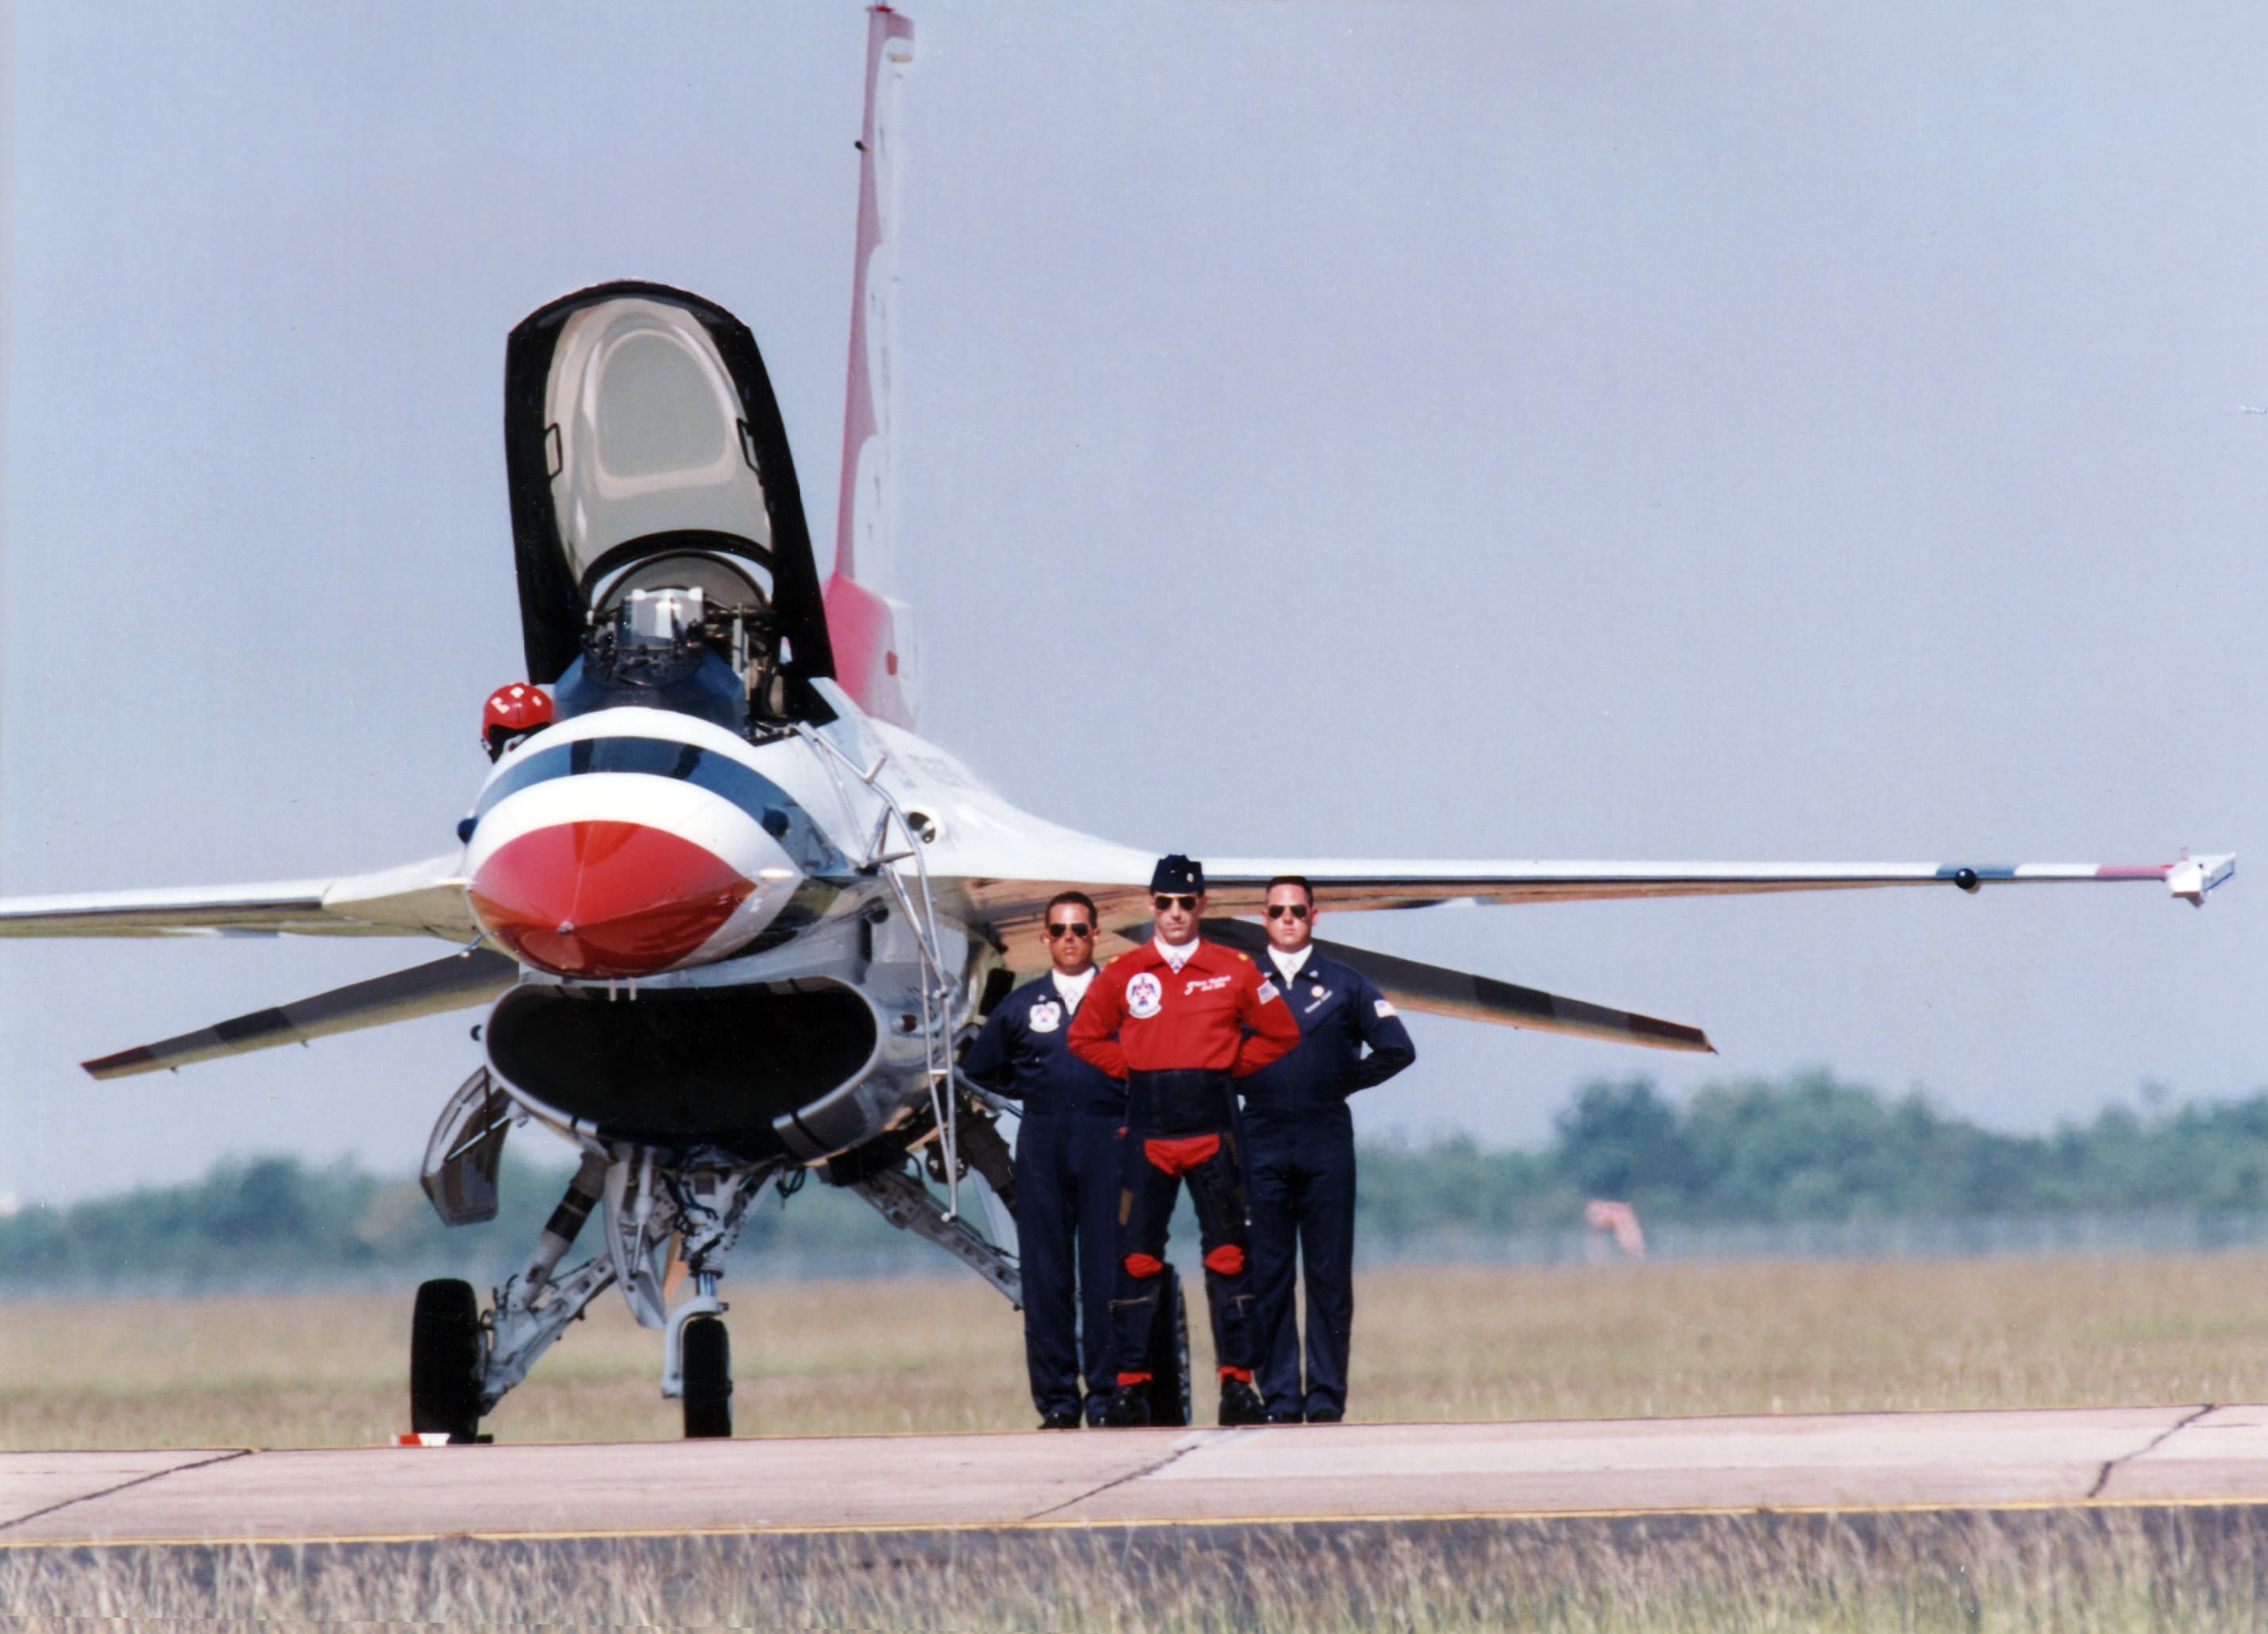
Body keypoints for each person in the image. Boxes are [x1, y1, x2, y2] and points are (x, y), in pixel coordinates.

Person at [1069, 855, 1301, 1427]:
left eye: (1187, 902)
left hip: (1214, 1129)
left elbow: (1282, 1031)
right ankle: (1130, 1390)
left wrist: (1223, 1067)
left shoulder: (1235, 969)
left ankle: (1238, 1389)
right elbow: (1083, 1035)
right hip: (1148, 1132)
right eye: (1166, 902)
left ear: (1202, 906)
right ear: (1152, 905)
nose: (1176, 913)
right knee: (1137, 1259)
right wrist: (1133, 1068)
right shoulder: (1124, 971)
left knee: (1229, 1257)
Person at [1238, 875, 1415, 1423]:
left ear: (1316, 915)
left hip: (1326, 1141)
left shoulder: (1346, 983)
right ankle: (1282, 1398)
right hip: (1260, 1138)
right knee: (1267, 1274)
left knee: (1328, 1275)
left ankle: (1324, 1397)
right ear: (1262, 917)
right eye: (1277, 910)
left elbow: (1397, 1047)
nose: (1287, 919)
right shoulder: (1239, 983)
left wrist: (1342, 1079)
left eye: (1297, 910)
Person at [962, 891, 1123, 1429]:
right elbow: (983, 1066)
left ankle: (1105, 1397)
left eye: (1080, 928)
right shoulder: (1023, 1005)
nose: (1070, 938)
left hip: (1107, 1141)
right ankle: (1057, 1400)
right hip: (1044, 1140)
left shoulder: (1123, 998)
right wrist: (1033, 1085)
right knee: (1046, 1276)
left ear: (1096, 934)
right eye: (1060, 930)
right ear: (1045, 938)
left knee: (1106, 1273)